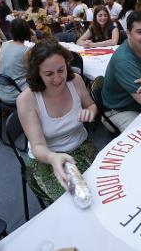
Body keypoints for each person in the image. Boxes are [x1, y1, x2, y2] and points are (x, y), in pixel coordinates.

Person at [16, 38, 98, 204]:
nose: (58, 79)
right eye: (49, 74)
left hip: (82, 146)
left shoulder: (76, 81)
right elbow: (38, 146)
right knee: (75, 204)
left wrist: (90, 112)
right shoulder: (27, 100)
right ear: (37, 73)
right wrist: (53, 158)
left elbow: (91, 105)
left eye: (61, 70)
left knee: (105, 189)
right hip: (48, 160)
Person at [0, 19, 32, 104]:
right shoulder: (26, 51)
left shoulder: (4, 45)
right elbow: (33, 72)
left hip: (2, 92)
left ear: (11, 32)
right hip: (18, 94)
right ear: (27, 32)